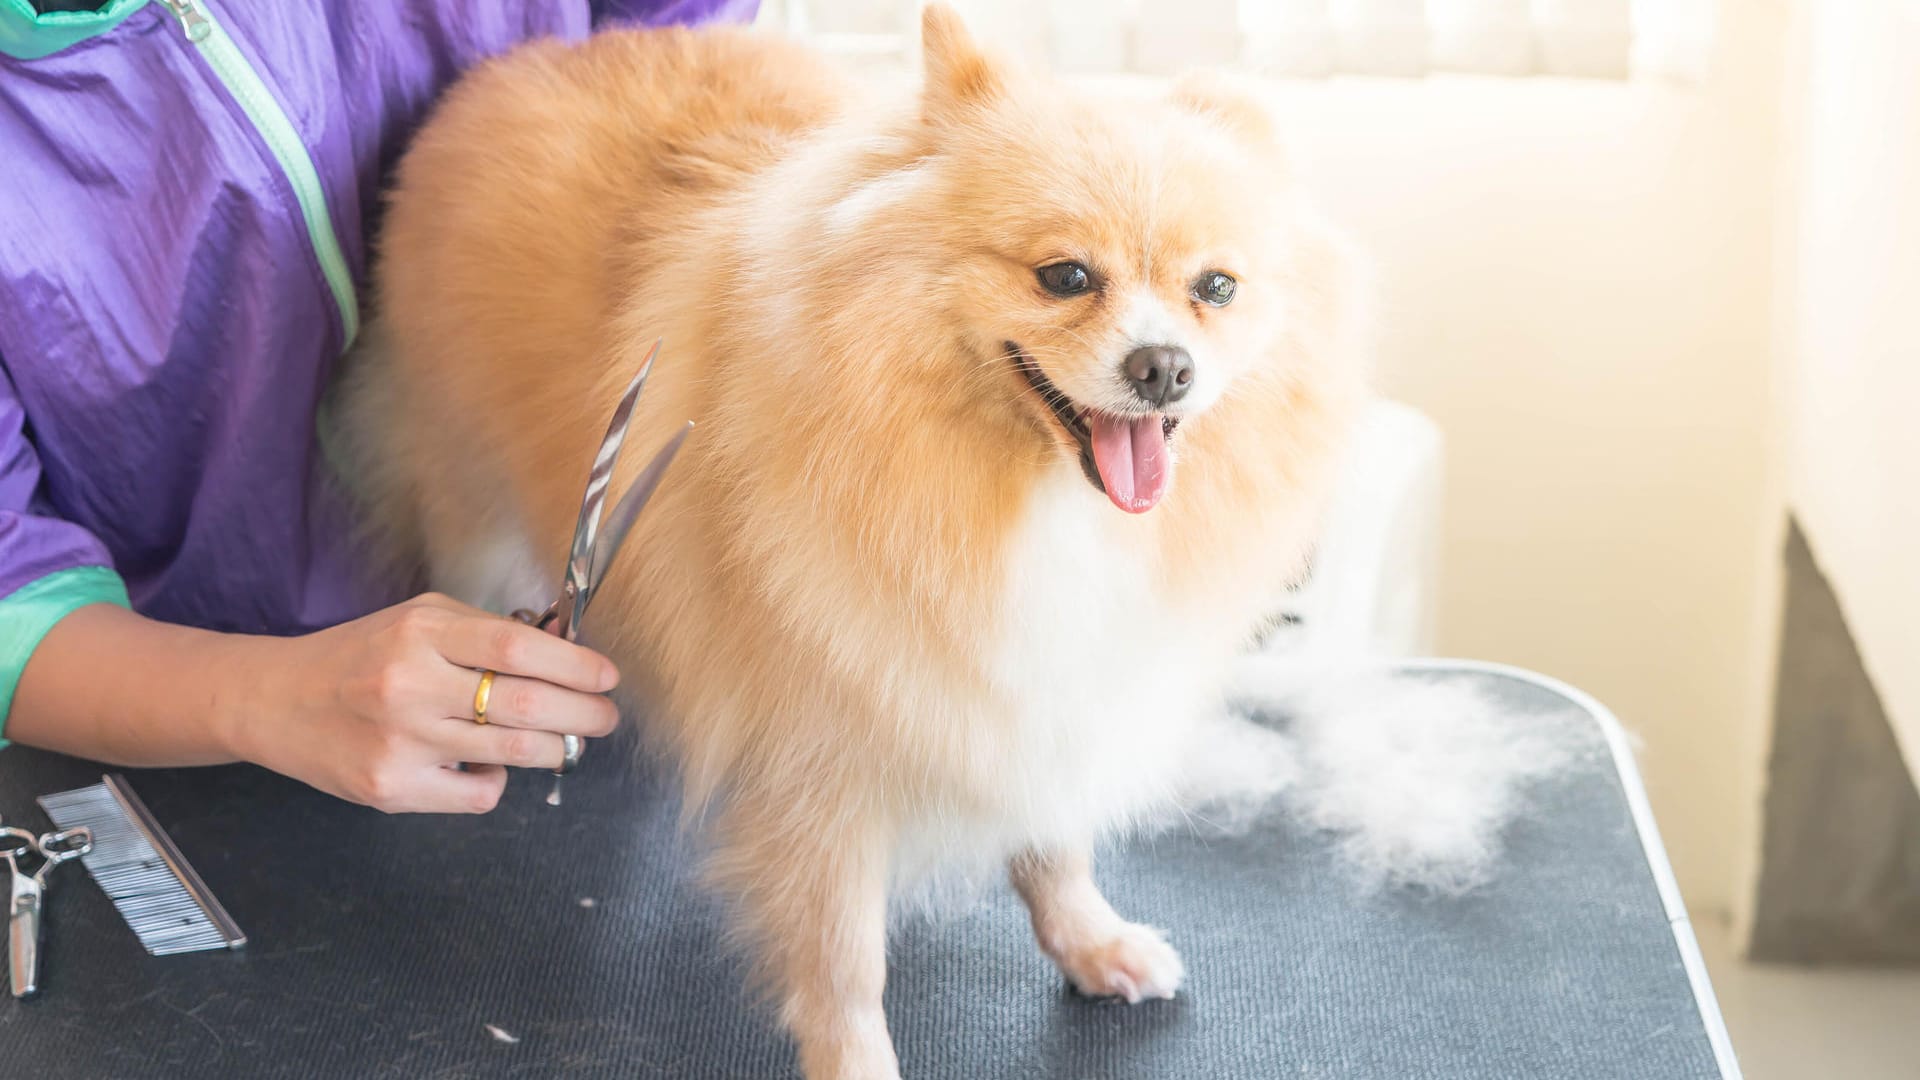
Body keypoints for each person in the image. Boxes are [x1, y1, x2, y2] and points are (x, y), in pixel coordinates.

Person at [0, 0, 756, 812]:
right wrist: (274, 697)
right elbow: (16, 600)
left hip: (602, 628)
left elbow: (686, 36)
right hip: (208, 720)